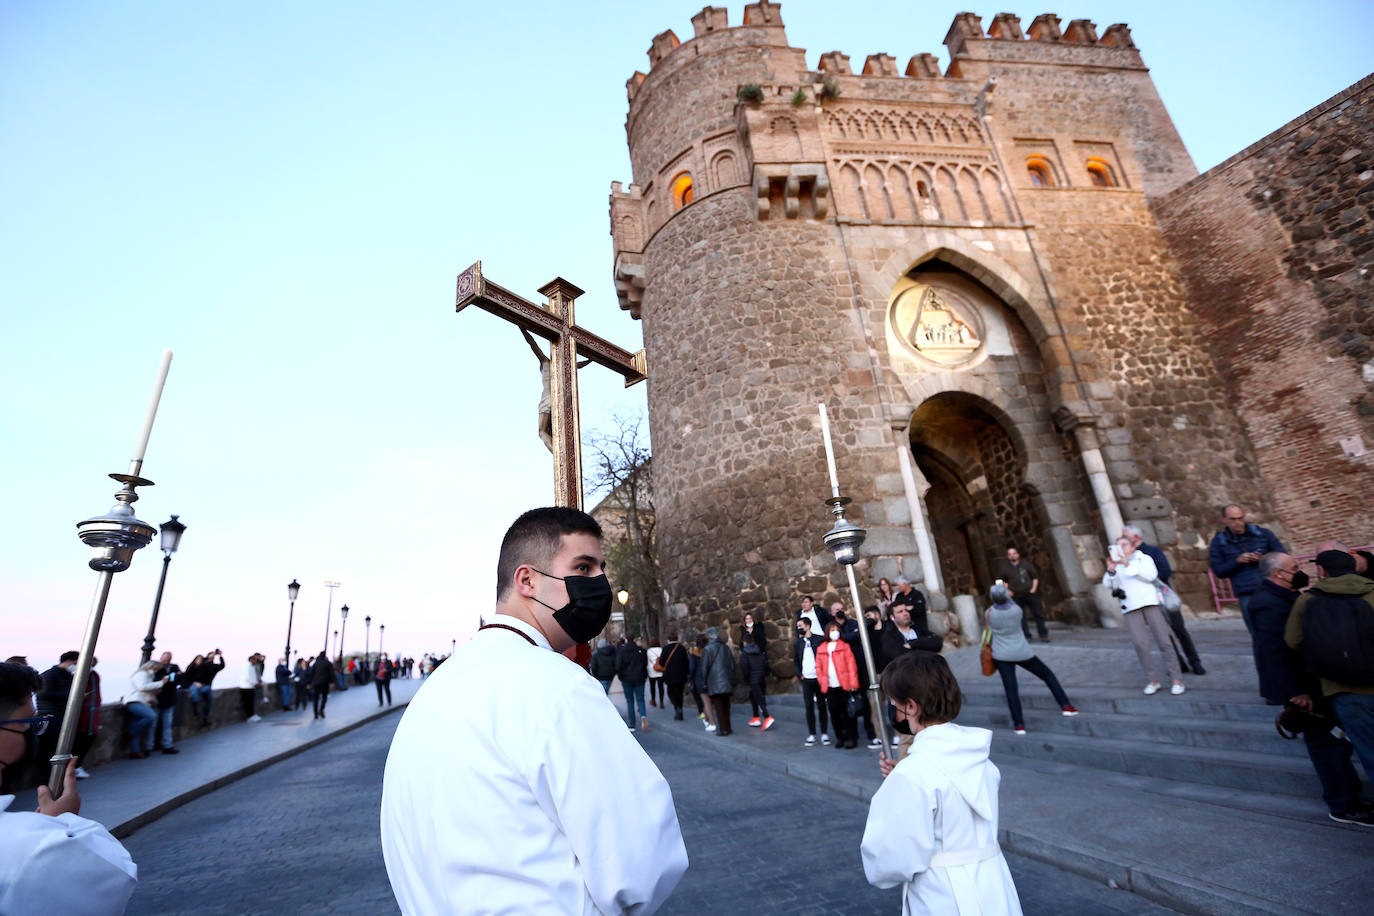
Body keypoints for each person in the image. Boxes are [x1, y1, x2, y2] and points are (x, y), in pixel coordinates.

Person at [380, 506, 687, 913]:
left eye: (601, 568)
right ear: (527, 580)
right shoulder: (559, 688)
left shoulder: (431, 695)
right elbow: (640, 861)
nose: (601, 583)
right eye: (583, 567)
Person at [861, 652, 1022, 915]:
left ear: (910, 707)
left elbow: (888, 861)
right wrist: (898, 784)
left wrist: (897, 790)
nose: (892, 708)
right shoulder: (979, 758)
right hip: (994, 886)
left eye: (893, 702)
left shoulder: (912, 774)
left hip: (942, 896)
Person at [0, 662, 138, 913]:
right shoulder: (26, 848)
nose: (30, 731)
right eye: (27, 721)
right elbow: (114, 879)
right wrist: (62, 823)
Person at [1250, 551, 1371, 825]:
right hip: (1302, 688)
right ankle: (1343, 804)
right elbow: (1274, 652)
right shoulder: (1268, 603)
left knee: (1335, 744)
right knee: (1325, 745)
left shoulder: (1289, 596)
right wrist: (1295, 692)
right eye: (1295, 567)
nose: (1301, 570)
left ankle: (1350, 798)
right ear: (1279, 574)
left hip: (1313, 682)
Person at [1286, 547, 1374, 791]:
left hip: (1343, 689)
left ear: (1321, 571)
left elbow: (1293, 641)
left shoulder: (1308, 600)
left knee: (1370, 754)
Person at [985, 585, 1077, 735]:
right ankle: (1066, 706)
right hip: (1022, 651)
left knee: (1011, 690)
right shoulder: (1016, 611)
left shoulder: (989, 613)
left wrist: (999, 595)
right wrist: (1008, 592)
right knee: (1047, 675)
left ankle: (1019, 725)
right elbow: (1011, 601)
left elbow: (995, 606)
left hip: (1001, 655)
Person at [1106, 536, 1184, 695]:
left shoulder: (1144, 558)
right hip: (1130, 607)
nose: (1121, 548)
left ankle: (1177, 679)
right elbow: (1108, 584)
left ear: (1133, 546)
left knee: (1164, 641)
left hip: (1150, 603)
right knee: (1140, 644)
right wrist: (1111, 570)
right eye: (1118, 545)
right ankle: (1153, 680)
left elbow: (1150, 576)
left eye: (1124, 544)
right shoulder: (1117, 565)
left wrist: (1127, 563)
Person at [1124, 525, 1204, 675]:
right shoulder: (1127, 558)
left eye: (1125, 537)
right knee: (1163, 635)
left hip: (1163, 597)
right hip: (1148, 601)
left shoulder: (1153, 551)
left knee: (1179, 630)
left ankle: (1195, 662)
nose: (1122, 540)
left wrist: (1145, 578)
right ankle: (1178, 663)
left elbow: (1165, 571)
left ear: (1135, 538)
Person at [1209, 503, 1285, 626]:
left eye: (1240, 518)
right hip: (1246, 593)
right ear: (1224, 520)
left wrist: (1263, 558)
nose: (1237, 523)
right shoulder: (1219, 542)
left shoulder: (1263, 534)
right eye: (1232, 519)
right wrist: (1237, 561)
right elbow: (1219, 571)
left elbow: (1282, 556)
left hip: (1272, 588)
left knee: (1282, 627)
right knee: (1257, 633)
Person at [35, 651, 79, 782]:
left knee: (60, 748)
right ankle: (47, 779)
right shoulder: (49, 675)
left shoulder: (67, 676)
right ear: (70, 661)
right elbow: (43, 694)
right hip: (50, 716)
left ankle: (57, 778)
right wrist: (71, 695)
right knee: (50, 749)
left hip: (61, 715)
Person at [843, 606, 883, 747]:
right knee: (869, 705)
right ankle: (876, 735)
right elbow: (852, 637)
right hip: (863, 674)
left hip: (878, 671)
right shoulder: (863, 632)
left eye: (870, 615)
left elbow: (857, 635)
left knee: (887, 705)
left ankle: (890, 734)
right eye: (866, 616)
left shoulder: (887, 629)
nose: (868, 618)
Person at [817, 620, 860, 749]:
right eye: (832, 630)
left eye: (836, 630)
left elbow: (851, 666)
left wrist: (853, 684)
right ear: (827, 632)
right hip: (830, 686)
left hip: (844, 685)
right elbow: (818, 667)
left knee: (848, 713)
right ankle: (840, 737)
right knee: (834, 713)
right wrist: (822, 680)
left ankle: (852, 737)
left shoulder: (845, 646)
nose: (834, 633)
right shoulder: (821, 648)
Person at [997, 546, 1047, 642]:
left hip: (1030, 593)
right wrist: (1006, 591)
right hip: (1016, 596)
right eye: (1010, 554)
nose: (1012, 556)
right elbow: (1000, 581)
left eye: (1014, 553)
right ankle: (1026, 636)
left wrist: (1033, 589)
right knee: (1020, 617)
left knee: (1038, 614)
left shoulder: (1026, 564)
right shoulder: (1005, 568)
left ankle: (1043, 634)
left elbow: (1035, 577)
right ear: (1008, 557)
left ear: (1018, 555)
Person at [794, 616, 830, 746]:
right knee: (809, 707)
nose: (798, 628)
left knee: (822, 706)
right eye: (797, 626)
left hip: (818, 678)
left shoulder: (819, 640)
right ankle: (812, 734)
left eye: (800, 626)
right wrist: (799, 674)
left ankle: (824, 733)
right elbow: (796, 661)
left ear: (808, 626)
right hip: (806, 680)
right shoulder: (797, 643)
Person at [123, 660, 165, 759]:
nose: (156, 671)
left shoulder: (148, 675)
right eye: (156, 669)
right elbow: (142, 687)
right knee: (151, 716)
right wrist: (161, 683)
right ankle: (129, 734)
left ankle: (135, 751)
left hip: (140, 701)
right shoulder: (142, 674)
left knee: (136, 725)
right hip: (134, 701)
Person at [739, 612, 773, 730]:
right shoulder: (758, 651)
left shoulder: (745, 654)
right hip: (759, 673)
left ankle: (767, 716)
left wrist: (747, 677)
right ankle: (756, 717)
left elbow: (744, 667)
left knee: (758, 696)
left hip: (753, 677)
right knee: (753, 695)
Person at [701, 626, 736, 736]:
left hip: (715, 681)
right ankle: (728, 727)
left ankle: (723, 729)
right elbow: (732, 664)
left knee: (719, 706)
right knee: (726, 706)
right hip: (726, 681)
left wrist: (704, 681)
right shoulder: (725, 647)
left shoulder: (707, 649)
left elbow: (704, 667)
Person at [617, 636, 650, 732]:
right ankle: (643, 716)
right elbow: (645, 664)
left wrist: (621, 677)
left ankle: (632, 724)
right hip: (639, 678)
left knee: (630, 701)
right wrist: (644, 675)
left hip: (627, 679)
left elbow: (618, 666)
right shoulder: (640, 651)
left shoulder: (622, 651)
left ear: (626, 640)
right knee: (640, 699)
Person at [151, 651, 182, 754]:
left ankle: (167, 746)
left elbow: (180, 678)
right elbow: (157, 680)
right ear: (161, 659)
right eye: (164, 659)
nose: (166, 661)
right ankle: (149, 746)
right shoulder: (157, 668)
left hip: (169, 700)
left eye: (168, 659)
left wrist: (169, 679)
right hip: (157, 700)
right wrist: (171, 677)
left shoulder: (174, 667)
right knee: (153, 725)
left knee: (167, 724)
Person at [184, 650, 224, 726]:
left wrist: (218, 655)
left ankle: (205, 717)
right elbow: (185, 679)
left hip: (203, 687)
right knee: (195, 689)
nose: (199, 661)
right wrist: (194, 683)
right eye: (197, 659)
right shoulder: (191, 668)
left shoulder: (207, 667)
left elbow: (221, 665)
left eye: (200, 660)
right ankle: (196, 709)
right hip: (193, 686)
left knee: (208, 693)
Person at [659, 631, 690, 720]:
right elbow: (686, 662)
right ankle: (679, 708)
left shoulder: (665, 649)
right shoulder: (681, 648)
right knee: (679, 693)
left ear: (668, 639)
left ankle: (677, 708)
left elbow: (661, 663)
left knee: (671, 692)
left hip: (670, 675)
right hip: (681, 675)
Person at [690, 635, 714, 730]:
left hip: (699, 679)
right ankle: (707, 720)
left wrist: (690, 679)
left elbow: (692, 668)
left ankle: (711, 722)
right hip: (710, 678)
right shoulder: (710, 651)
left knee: (706, 702)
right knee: (709, 701)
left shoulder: (694, 653)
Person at [236, 653, 264, 722]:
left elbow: (253, 676)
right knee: (248, 703)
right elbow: (248, 677)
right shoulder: (247, 666)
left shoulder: (251, 666)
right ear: (251, 660)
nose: (256, 662)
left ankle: (252, 715)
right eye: (255, 660)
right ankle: (249, 716)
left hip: (250, 687)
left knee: (250, 702)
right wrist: (255, 683)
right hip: (246, 687)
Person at [310, 652, 334, 719]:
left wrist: (310, 683)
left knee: (316, 699)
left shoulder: (315, 663)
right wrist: (331, 682)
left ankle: (315, 714)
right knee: (324, 698)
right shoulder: (328, 663)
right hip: (325, 683)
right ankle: (321, 710)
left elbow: (312, 674)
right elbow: (331, 674)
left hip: (316, 683)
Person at [646, 638, 665, 709]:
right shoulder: (661, 650)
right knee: (661, 687)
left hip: (652, 671)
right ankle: (661, 702)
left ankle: (653, 700)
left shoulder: (649, 651)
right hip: (660, 670)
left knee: (652, 687)